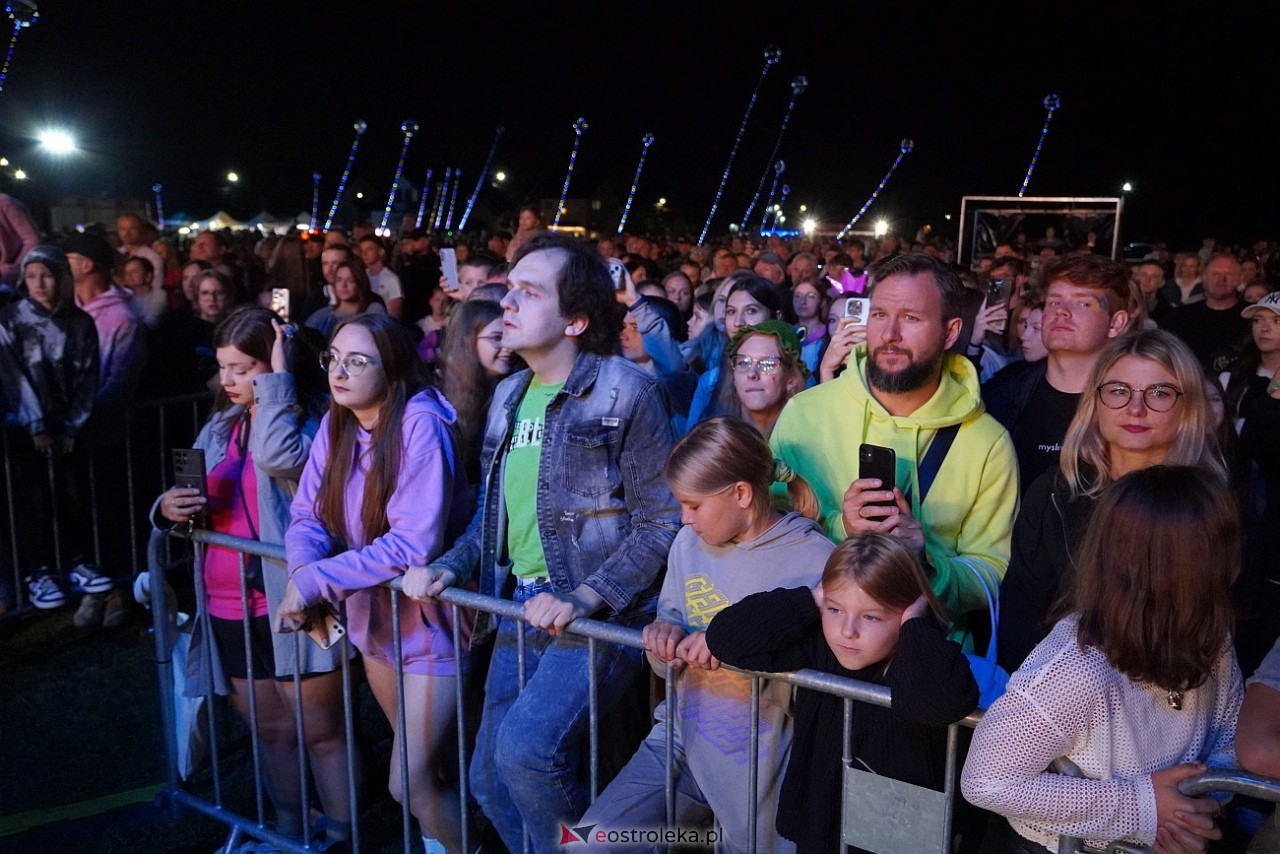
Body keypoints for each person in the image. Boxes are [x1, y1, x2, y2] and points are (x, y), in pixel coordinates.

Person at [403, 232, 681, 854]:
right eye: (510, 288)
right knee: (488, 783)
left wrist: (585, 597)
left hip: (601, 617)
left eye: (529, 293)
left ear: (577, 319)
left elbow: (663, 522)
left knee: (526, 752)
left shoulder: (627, 392)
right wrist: (449, 565)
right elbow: (491, 518)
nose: (507, 302)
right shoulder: (507, 396)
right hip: (520, 611)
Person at [579, 418, 833, 852]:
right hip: (681, 737)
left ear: (741, 493)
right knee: (590, 841)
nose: (684, 517)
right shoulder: (687, 545)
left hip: (761, 760)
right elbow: (670, 633)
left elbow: (823, 688)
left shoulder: (813, 560)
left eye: (694, 505)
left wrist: (738, 655)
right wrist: (663, 639)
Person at [963, 465, 1243, 854]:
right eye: (1222, 548)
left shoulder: (1213, 642)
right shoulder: (1077, 670)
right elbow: (986, 779)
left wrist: (1188, 811)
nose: (1236, 565)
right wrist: (1144, 808)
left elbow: (1229, 738)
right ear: (1182, 570)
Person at [152, 307, 352, 847]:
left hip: (299, 602)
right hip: (225, 606)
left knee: (324, 732)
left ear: (276, 366)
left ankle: (340, 837)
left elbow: (279, 455)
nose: (228, 380)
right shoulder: (219, 425)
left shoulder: (314, 419)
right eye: (224, 367)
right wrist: (166, 507)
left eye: (244, 368)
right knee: (271, 731)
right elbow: (193, 489)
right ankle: (290, 832)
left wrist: (276, 389)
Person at [275, 313, 470, 854]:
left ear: (394, 367)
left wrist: (316, 581)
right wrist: (302, 572)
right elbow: (306, 517)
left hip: (433, 626)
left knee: (406, 780)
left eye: (357, 361)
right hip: (374, 622)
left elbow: (413, 545)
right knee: (424, 781)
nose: (340, 370)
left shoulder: (420, 423)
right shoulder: (339, 422)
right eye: (333, 358)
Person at [771, 253, 1017, 626]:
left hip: (919, 664)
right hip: (808, 648)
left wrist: (923, 559)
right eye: (880, 315)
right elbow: (765, 526)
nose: (889, 335)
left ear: (950, 332)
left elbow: (991, 575)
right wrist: (842, 527)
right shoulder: (805, 412)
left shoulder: (988, 443)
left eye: (911, 318)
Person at [706, 533, 979, 853]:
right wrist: (813, 599)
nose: (847, 631)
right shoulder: (821, 647)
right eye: (835, 610)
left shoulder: (921, 659)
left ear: (906, 612)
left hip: (894, 835)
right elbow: (725, 638)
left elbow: (944, 701)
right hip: (821, 828)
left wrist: (916, 626)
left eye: (871, 616)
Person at [997, 329, 1225, 672]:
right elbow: (1019, 613)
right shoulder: (1054, 493)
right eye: (1119, 391)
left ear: (1187, 406)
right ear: (1095, 401)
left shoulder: (1211, 505)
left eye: (1159, 393)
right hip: (1056, 696)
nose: (1135, 409)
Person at [2, 247, 100, 609]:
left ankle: (77, 561)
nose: (39, 284)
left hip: (68, 429)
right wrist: (37, 426)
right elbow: (13, 377)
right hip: (23, 431)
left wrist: (73, 426)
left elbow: (89, 376)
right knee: (31, 500)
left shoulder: (80, 322)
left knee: (73, 495)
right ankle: (38, 570)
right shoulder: (10, 320)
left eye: (46, 275)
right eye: (31, 276)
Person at [984, 253, 1133, 490]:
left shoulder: (1135, 408)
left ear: (1116, 323)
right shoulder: (1002, 395)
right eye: (1054, 302)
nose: (1061, 311)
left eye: (1083, 302)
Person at [437, 298, 516, 485]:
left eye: (509, 336)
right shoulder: (441, 399)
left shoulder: (516, 391)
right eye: (497, 338)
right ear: (468, 342)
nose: (508, 347)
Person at [718, 320, 807, 439]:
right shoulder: (718, 438)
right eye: (743, 363)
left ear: (791, 379)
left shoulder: (805, 440)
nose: (752, 373)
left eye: (768, 364)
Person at [303, 260, 385, 339]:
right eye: (339, 280)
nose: (343, 285)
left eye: (350, 280)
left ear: (360, 283)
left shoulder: (373, 311)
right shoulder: (323, 315)